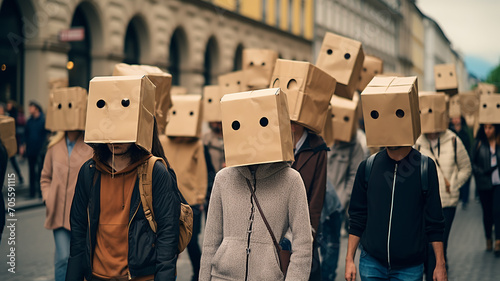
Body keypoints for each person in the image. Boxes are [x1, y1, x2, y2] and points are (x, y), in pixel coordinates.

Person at [199, 88, 313, 280]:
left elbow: (303, 246)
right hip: (222, 276)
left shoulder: (291, 180)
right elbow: (210, 242)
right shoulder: (223, 179)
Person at [346, 146, 447, 281]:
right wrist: (349, 259)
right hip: (372, 264)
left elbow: (434, 221)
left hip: (409, 267)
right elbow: (357, 216)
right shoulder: (368, 166)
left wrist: (440, 264)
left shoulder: (424, 167)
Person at [416, 128, 471, 279]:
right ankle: (433, 272)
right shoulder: (418, 142)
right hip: (424, 203)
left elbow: (466, 168)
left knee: (440, 243)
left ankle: (437, 273)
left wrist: (453, 185)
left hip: (447, 203)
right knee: (426, 245)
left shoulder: (453, 140)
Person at [40, 131, 93, 281]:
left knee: (81, 259)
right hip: (58, 213)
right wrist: (48, 198)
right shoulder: (54, 146)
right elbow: (45, 176)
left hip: (82, 215)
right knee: (63, 258)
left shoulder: (89, 145)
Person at [319, 135, 364, 281]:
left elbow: (354, 175)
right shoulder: (320, 138)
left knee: (331, 246)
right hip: (316, 201)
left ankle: (328, 276)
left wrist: (342, 200)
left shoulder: (353, 144)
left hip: (336, 207)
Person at [290, 121, 327, 281]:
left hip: (305, 224)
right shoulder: (275, 141)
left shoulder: (317, 147)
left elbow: (317, 197)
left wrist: (310, 232)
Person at [471, 124, 500, 256]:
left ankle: (498, 242)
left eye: (491, 128)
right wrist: (481, 172)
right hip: (484, 184)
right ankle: (488, 237)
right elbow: (472, 163)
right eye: (485, 127)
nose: (487, 130)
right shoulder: (479, 144)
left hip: (498, 184)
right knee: (487, 213)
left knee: (497, 211)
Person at [24, 101, 48, 198]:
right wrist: (23, 145)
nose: (29, 109)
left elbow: (48, 134)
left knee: (40, 172)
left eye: (31, 107)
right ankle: (32, 192)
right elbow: (26, 134)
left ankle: (40, 192)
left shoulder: (43, 120)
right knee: (31, 171)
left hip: (40, 150)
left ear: (36, 108)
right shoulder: (29, 121)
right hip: (31, 149)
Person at [449, 116, 473, 209]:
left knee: (465, 180)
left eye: (457, 118)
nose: (455, 120)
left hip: (463, 158)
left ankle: (464, 200)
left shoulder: (465, 131)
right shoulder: (449, 132)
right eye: (454, 118)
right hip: (453, 159)